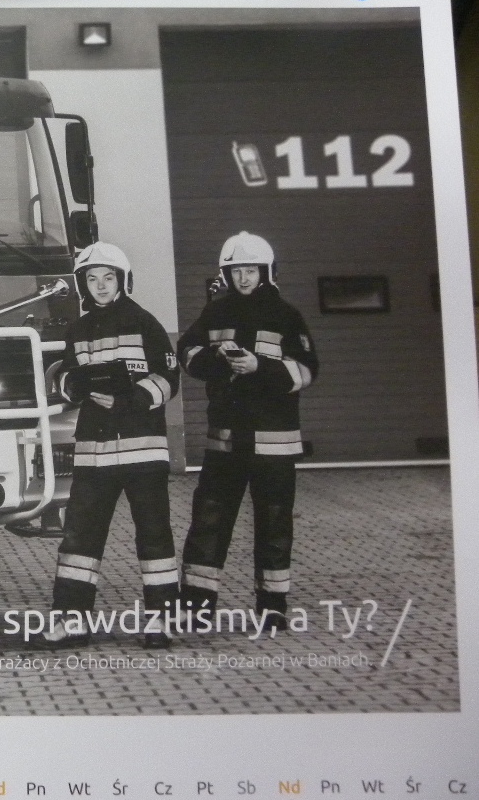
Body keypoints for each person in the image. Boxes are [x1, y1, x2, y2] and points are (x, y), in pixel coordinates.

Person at [177, 231, 319, 630]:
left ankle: (272, 607)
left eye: (251, 270)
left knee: (274, 523)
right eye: (236, 270)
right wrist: (215, 362)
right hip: (225, 440)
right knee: (209, 519)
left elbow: (307, 369)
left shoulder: (286, 315)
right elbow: (186, 351)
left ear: (266, 272)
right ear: (226, 273)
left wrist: (261, 367)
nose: (243, 278)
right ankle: (197, 606)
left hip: (274, 442)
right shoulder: (214, 313)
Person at [44, 242, 181, 650]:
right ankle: (71, 622)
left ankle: (162, 622)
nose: (101, 286)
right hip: (94, 453)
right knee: (79, 540)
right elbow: (64, 376)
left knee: (154, 538)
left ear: (122, 280)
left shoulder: (146, 324)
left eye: (108, 278)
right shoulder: (78, 330)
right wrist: (73, 385)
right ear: (83, 284)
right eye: (92, 279)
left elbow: (168, 379)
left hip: (143, 452)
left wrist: (128, 400)